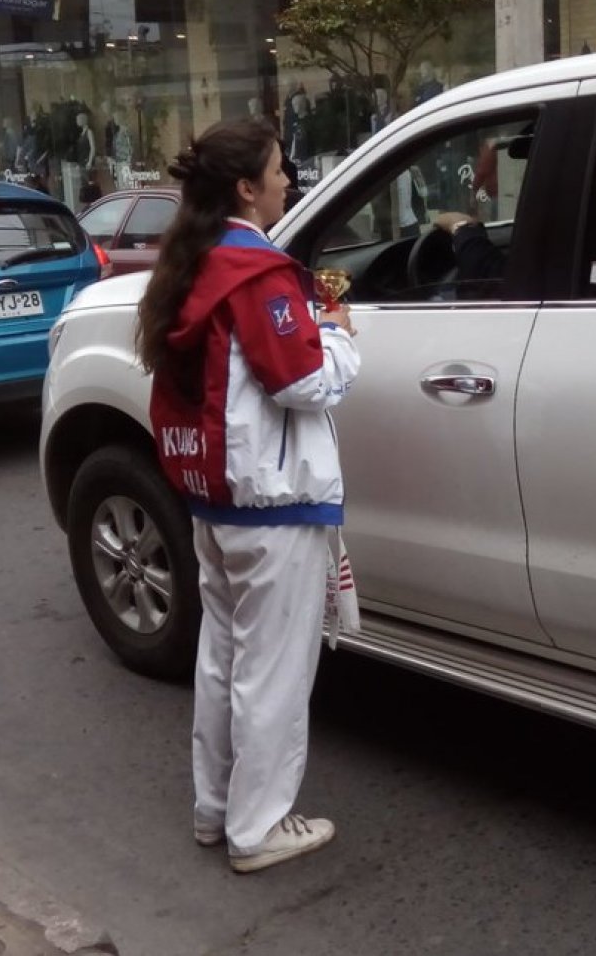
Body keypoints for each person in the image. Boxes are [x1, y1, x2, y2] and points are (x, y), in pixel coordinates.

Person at [134, 117, 360, 874]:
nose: (288, 181)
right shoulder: (257, 274)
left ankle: (216, 811)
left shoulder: (192, 265)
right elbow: (303, 381)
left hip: (218, 503)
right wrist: (339, 334)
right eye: (278, 169)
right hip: (275, 508)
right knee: (273, 675)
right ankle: (258, 829)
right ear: (245, 188)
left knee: (224, 662)